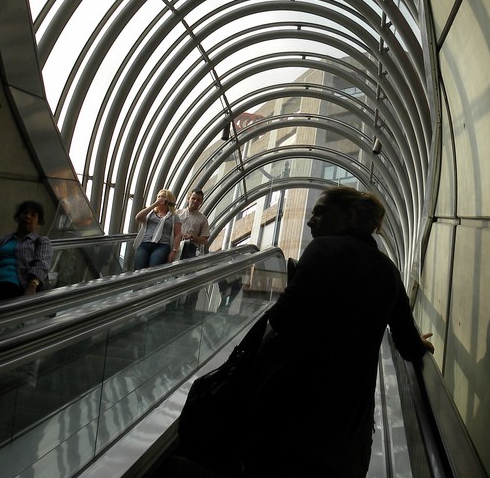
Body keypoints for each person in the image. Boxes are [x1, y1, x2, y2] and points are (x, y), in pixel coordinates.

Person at [243, 187, 435, 478]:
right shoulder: (389, 271)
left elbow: (283, 319)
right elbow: (407, 345)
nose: (310, 221)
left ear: (350, 216)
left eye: (320, 212)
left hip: (291, 412)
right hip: (346, 431)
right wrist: (420, 344)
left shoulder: (322, 250)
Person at [133, 189, 181, 269]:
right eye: (159, 197)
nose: (160, 198)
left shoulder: (174, 217)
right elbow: (138, 218)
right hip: (145, 243)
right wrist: (154, 205)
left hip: (162, 245)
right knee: (139, 268)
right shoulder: (150, 213)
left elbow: (178, 234)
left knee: (154, 267)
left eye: (163, 197)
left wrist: (174, 251)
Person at [177, 189, 210, 259]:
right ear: (188, 199)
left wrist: (192, 237)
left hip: (190, 248)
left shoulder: (203, 219)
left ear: (201, 202)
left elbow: (204, 240)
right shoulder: (177, 213)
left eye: (198, 200)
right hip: (174, 244)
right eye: (193, 198)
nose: (195, 201)